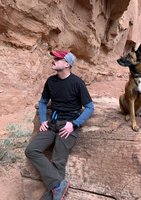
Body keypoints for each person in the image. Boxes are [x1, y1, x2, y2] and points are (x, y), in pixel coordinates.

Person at [25, 50, 94, 200]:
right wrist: (43, 120)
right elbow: (43, 102)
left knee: (58, 162)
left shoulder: (77, 83)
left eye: (57, 58)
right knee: (31, 150)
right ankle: (58, 185)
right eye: (54, 58)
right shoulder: (51, 81)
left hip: (67, 127)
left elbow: (89, 107)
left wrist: (74, 124)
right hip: (52, 124)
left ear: (67, 64)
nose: (53, 60)